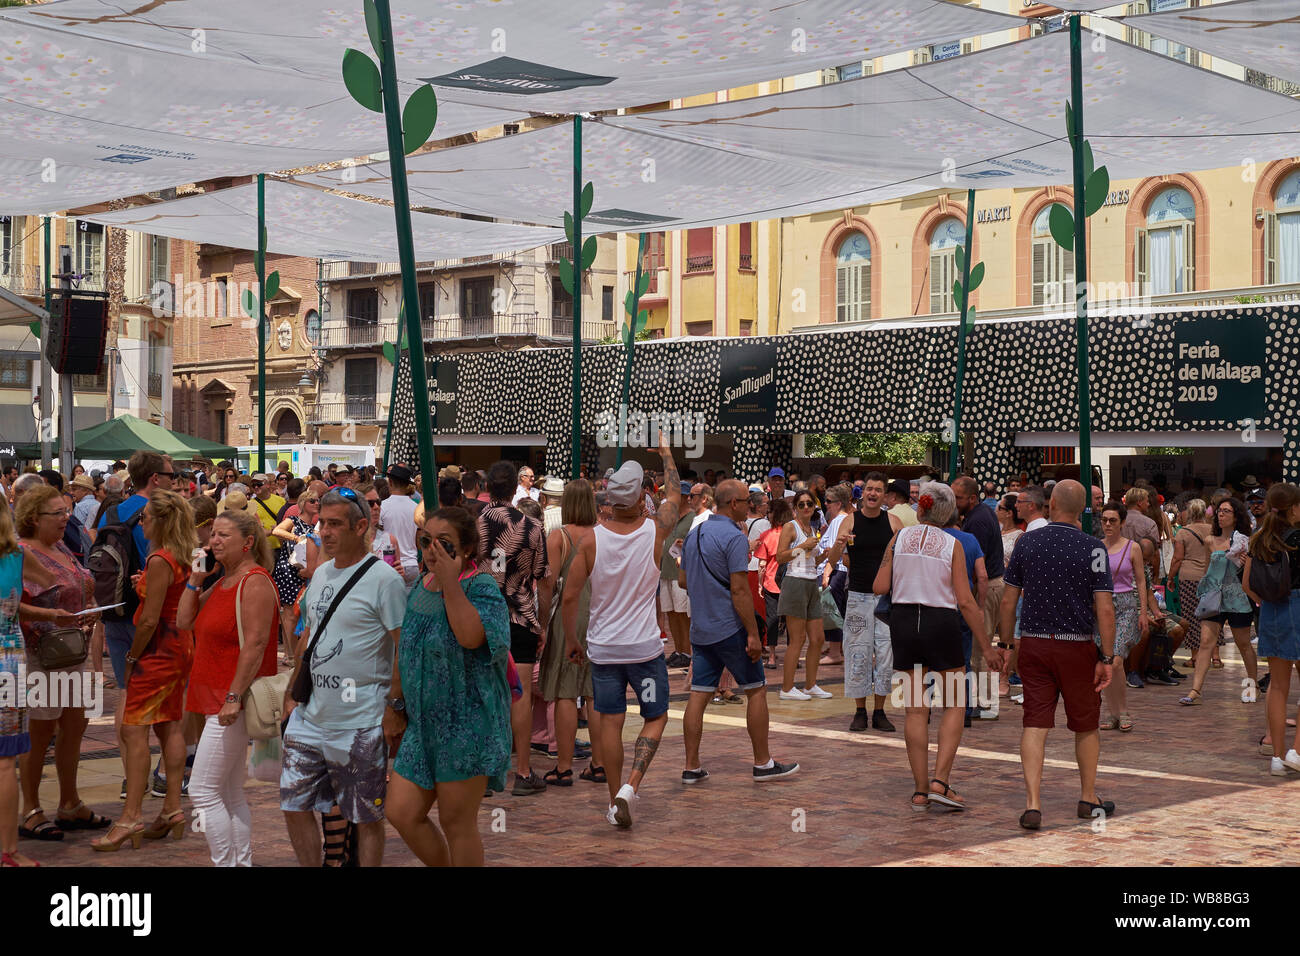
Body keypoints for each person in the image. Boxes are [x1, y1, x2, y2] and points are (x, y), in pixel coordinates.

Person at [281, 488, 407, 867]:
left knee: (365, 815)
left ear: (361, 527)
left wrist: (393, 708)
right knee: (293, 803)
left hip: (360, 721)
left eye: (335, 524)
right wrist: (291, 694)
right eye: (322, 523)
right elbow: (307, 637)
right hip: (310, 715)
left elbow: (403, 647)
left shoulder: (384, 580)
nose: (325, 532)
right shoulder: (319, 574)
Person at [561, 438, 681, 827]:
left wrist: (574, 642)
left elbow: (569, 598)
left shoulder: (591, 540)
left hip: (605, 650)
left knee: (609, 720)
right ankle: (631, 786)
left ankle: (614, 801)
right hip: (644, 650)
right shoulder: (656, 532)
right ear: (643, 496)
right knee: (656, 716)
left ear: (609, 499)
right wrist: (665, 454)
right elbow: (676, 492)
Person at [385, 506, 511, 865]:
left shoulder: (481, 586)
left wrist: (451, 583)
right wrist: (394, 707)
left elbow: (471, 637)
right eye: (426, 542)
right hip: (422, 726)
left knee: (457, 823)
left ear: (467, 549)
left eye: (444, 544)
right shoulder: (419, 587)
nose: (432, 551)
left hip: (467, 725)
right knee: (401, 811)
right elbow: (404, 648)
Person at [874, 482, 1002, 812]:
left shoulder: (899, 538)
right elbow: (965, 601)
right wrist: (987, 647)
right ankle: (940, 781)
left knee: (915, 709)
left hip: (903, 622)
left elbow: (880, 585)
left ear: (921, 509)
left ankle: (919, 789)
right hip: (941, 623)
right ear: (949, 513)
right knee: (955, 703)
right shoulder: (953, 544)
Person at [999, 479, 1115, 830]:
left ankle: (1033, 803)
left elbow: (1008, 600)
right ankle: (1088, 795)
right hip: (1077, 645)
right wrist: (1107, 657)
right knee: (1086, 724)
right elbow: (1105, 608)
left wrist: (1006, 645)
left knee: (1035, 722)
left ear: (1050, 506)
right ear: (1083, 509)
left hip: (1034, 643)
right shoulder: (1094, 548)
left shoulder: (1028, 542)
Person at [94, 490, 197, 851]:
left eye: (146, 517)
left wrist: (133, 657)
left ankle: (130, 816)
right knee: (169, 725)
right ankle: (171, 808)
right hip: (179, 646)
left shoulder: (159, 558)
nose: (142, 522)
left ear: (160, 520)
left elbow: (150, 618)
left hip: (157, 650)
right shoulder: (183, 555)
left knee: (133, 731)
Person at [679, 478, 799, 786]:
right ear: (734, 503)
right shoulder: (733, 537)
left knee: (699, 694)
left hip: (701, 628)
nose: (751, 506)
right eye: (747, 501)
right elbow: (739, 590)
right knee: (756, 689)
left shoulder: (695, 533)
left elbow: (683, 581)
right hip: (729, 627)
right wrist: (752, 634)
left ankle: (691, 766)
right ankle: (763, 762)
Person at [180, 508, 280, 866]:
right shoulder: (223, 581)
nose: (212, 541)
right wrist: (195, 577)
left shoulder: (253, 581)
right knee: (228, 791)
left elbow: (255, 645)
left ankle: (225, 863)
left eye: (223, 535)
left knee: (202, 791)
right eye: (212, 535)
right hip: (216, 696)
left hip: (231, 699)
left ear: (248, 542)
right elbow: (184, 620)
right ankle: (240, 862)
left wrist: (233, 697)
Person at [16, 485, 107, 842]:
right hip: (40, 654)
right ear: (33, 518)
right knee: (39, 735)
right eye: (57, 513)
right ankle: (30, 810)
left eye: (65, 511)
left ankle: (69, 802)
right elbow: (10, 603)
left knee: (75, 728)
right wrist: (51, 613)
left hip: (70, 650)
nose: (66, 518)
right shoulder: (21, 553)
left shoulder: (60, 547)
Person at [478, 462, 550, 796]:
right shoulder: (533, 526)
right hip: (520, 615)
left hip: (480, 615)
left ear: (489, 486)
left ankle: (485, 773)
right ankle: (522, 772)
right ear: (515, 489)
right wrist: (543, 623)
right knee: (518, 694)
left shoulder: (474, 523)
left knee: (483, 692)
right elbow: (539, 575)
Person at [536, 480, 605, 785]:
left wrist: (541, 623)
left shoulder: (558, 537)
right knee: (594, 692)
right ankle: (599, 763)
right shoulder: (603, 535)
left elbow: (547, 586)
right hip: (600, 617)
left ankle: (563, 766)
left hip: (569, 616)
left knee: (565, 693)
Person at [827, 472, 902, 732]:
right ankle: (860, 710)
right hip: (858, 596)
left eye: (878, 490)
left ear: (884, 495)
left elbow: (902, 561)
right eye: (869, 489)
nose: (872, 494)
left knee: (885, 654)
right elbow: (832, 560)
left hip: (885, 599)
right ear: (863, 493)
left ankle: (880, 710)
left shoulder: (893, 523)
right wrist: (838, 545)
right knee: (857, 652)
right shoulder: (850, 521)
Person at [99, 450, 174, 692]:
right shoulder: (159, 514)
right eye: (170, 476)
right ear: (155, 478)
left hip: (113, 606)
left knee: (127, 692)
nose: (173, 481)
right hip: (145, 612)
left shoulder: (110, 513)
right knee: (157, 697)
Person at [1242, 482, 1300, 775]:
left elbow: (1247, 584)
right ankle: (1297, 752)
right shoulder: (1298, 536)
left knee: (1277, 686)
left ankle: (1277, 757)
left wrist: (1265, 603)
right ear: (1293, 507)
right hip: (1297, 607)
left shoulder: (1260, 537)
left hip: (1272, 611)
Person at [1181, 497, 1257, 705]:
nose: (1220, 515)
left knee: (1243, 644)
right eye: (1219, 511)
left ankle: (1253, 685)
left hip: (1237, 597)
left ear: (1236, 516)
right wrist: (1202, 593)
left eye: (1226, 511)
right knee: (1206, 642)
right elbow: (1207, 570)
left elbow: (1250, 573)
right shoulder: (1209, 540)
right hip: (1214, 596)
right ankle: (1195, 689)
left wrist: (1244, 563)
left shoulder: (1244, 541)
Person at [953, 476, 1005, 719]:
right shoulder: (980, 515)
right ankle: (980, 701)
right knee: (978, 647)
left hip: (988, 586)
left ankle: (986, 704)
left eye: (959, 498)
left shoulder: (978, 522)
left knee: (981, 648)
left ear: (972, 498)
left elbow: (979, 569)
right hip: (990, 586)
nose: (955, 502)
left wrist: (979, 603)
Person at [1095, 503, 1149, 734]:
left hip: (1126, 606)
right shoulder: (1097, 548)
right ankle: (1112, 711)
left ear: (1122, 522)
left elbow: (1140, 581)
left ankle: (1122, 710)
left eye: (1113, 520)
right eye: (1105, 520)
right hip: (1101, 607)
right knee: (1108, 661)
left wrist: (1143, 611)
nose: (1108, 524)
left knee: (1116, 659)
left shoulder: (1132, 548)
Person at [774, 489, 831, 700]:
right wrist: (801, 547)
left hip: (810, 582)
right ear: (795, 508)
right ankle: (787, 688)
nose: (806, 507)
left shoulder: (811, 528)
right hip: (795, 583)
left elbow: (811, 562)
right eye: (801, 504)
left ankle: (810, 684)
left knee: (817, 638)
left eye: (810, 504)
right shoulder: (791, 527)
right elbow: (780, 557)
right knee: (797, 639)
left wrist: (826, 554)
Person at [659, 481, 696, 670]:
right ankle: (679, 651)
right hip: (666, 569)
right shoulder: (670, 516)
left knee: (683, 614)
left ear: (684, 497)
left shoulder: (693, 518)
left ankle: (687, 651)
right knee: (671, 612)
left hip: (681, 572)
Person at [753, 498, 792, 670]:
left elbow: (762, 564)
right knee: (792, 621)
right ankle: (793, 655)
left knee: (772, 620)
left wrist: (760, 584)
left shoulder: (767, 535)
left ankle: (772, 656)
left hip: (770, 581)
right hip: (791, 581)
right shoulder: (792, 533)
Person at [817, 483, 852, 666]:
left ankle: (835, 651)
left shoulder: (839, 521)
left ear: (839, 503)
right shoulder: (842, 520)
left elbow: (833, 550)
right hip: (838, 571)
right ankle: (836, 648)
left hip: (835, 571)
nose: (826, 505)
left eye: (829, 501)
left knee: (833, 612)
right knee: (837, 611)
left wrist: (826, 573)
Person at [381, 465, 421, 584]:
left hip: (392, 564)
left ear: (391, 482)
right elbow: (419, 541)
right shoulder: (416, 508)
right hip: (412, 564)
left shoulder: (382, 507)